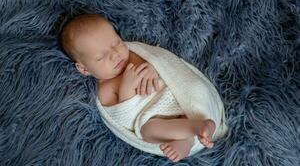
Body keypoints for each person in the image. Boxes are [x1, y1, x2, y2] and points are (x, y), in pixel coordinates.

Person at [58, 13, 216, 162]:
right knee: (147, 131)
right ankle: (191, 132)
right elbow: (125, 120)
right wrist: (126, 89)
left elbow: (161, 61)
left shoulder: (133, 54)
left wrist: (153, 68)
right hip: (156, 118)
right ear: (84, 69)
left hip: (175, 96)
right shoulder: (105, 89)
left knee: (194, 89)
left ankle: (193, 125)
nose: (115, 54)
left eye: (116, 43)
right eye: (101, 57)